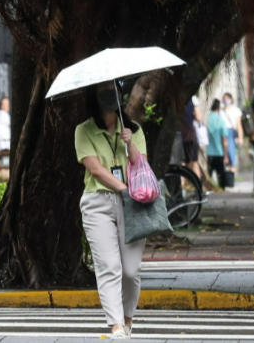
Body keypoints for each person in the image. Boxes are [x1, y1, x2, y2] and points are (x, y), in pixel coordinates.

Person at [74, 86, 147, 339]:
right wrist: (123, 189)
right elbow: (94, 169)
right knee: (109, 266)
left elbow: (142, 165)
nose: (107, 97)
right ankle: (115, 325)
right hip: (98, 202)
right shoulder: (83, 130)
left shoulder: (134, 130)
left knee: (130, 270)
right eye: (102, 91)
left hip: (133, 204)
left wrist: (130, 145)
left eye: (111, 91)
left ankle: (127, 319)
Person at [205, 99, 230, 189]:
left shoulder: (206, 119)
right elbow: (224, 140)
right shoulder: (221, 120)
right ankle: (221, 190)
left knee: (208, 174)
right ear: (219, 108)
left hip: (208, 152)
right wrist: (226, 155)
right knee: (221, 175)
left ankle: (208, 190)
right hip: (219, 152)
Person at [180, 96, 202, 178]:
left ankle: (182, 187)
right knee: (194, 162)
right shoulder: (193, 99)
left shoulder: (174, 97)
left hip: (179, 134)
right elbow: (199, 117)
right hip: (190, 134)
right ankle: (198, 187)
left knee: (181, 163)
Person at [220, 93, 243, 173]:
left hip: (231, 131)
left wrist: (240, 137)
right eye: (224, 98)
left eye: (227, 98)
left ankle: (232, 168)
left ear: (231, 99)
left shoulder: (236, 110)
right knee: (223, 152)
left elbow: (239, 125)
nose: (226, 100)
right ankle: (227, 171)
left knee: (231, 150)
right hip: (221, 132)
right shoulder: (221, 110)